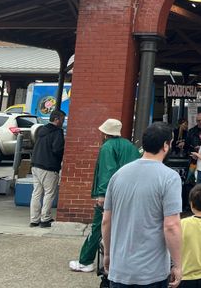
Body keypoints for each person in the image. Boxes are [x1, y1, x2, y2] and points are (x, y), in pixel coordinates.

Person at [102, 122, 183, 288]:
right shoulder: (170, 178)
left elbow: (106, 221)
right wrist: (177, 264)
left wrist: (108, 255)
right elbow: (171, 226)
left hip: (119, 270)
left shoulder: (118, 175)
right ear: (166, 145)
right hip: (151, 272)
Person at [69, 118, 140, 273]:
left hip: (111, 195)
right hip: (130, 194)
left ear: (106, 132)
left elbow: (107, 171)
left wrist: (102, 194)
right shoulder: (129, 146)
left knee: (98, 228)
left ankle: (86, 261)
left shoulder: (107, 147)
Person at [30, 109, 66, 228]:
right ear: (56, 119)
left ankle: (34, 219)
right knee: (49, 193)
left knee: (36, 193)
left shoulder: (41, 130)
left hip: (35, 165)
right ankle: (45, 219)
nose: (63, 122)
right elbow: (57, 149)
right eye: (62, 119)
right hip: (49, 166)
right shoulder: (57, 132)